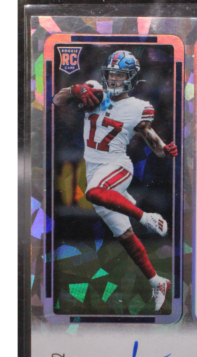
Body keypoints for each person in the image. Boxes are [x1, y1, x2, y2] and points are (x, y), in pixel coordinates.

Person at [53, 50, 178, 312]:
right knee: (125, 235)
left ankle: (147, 218)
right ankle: (158, 282)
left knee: (94, 193)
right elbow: (57, 99)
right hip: (94, 168)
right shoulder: (95, 90)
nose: (114, 79)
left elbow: (152, 142)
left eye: (120, 75)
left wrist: (165, 150)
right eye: (111, 74)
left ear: (131, 78)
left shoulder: (138, 107)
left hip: (117, 165)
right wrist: (75, 89)